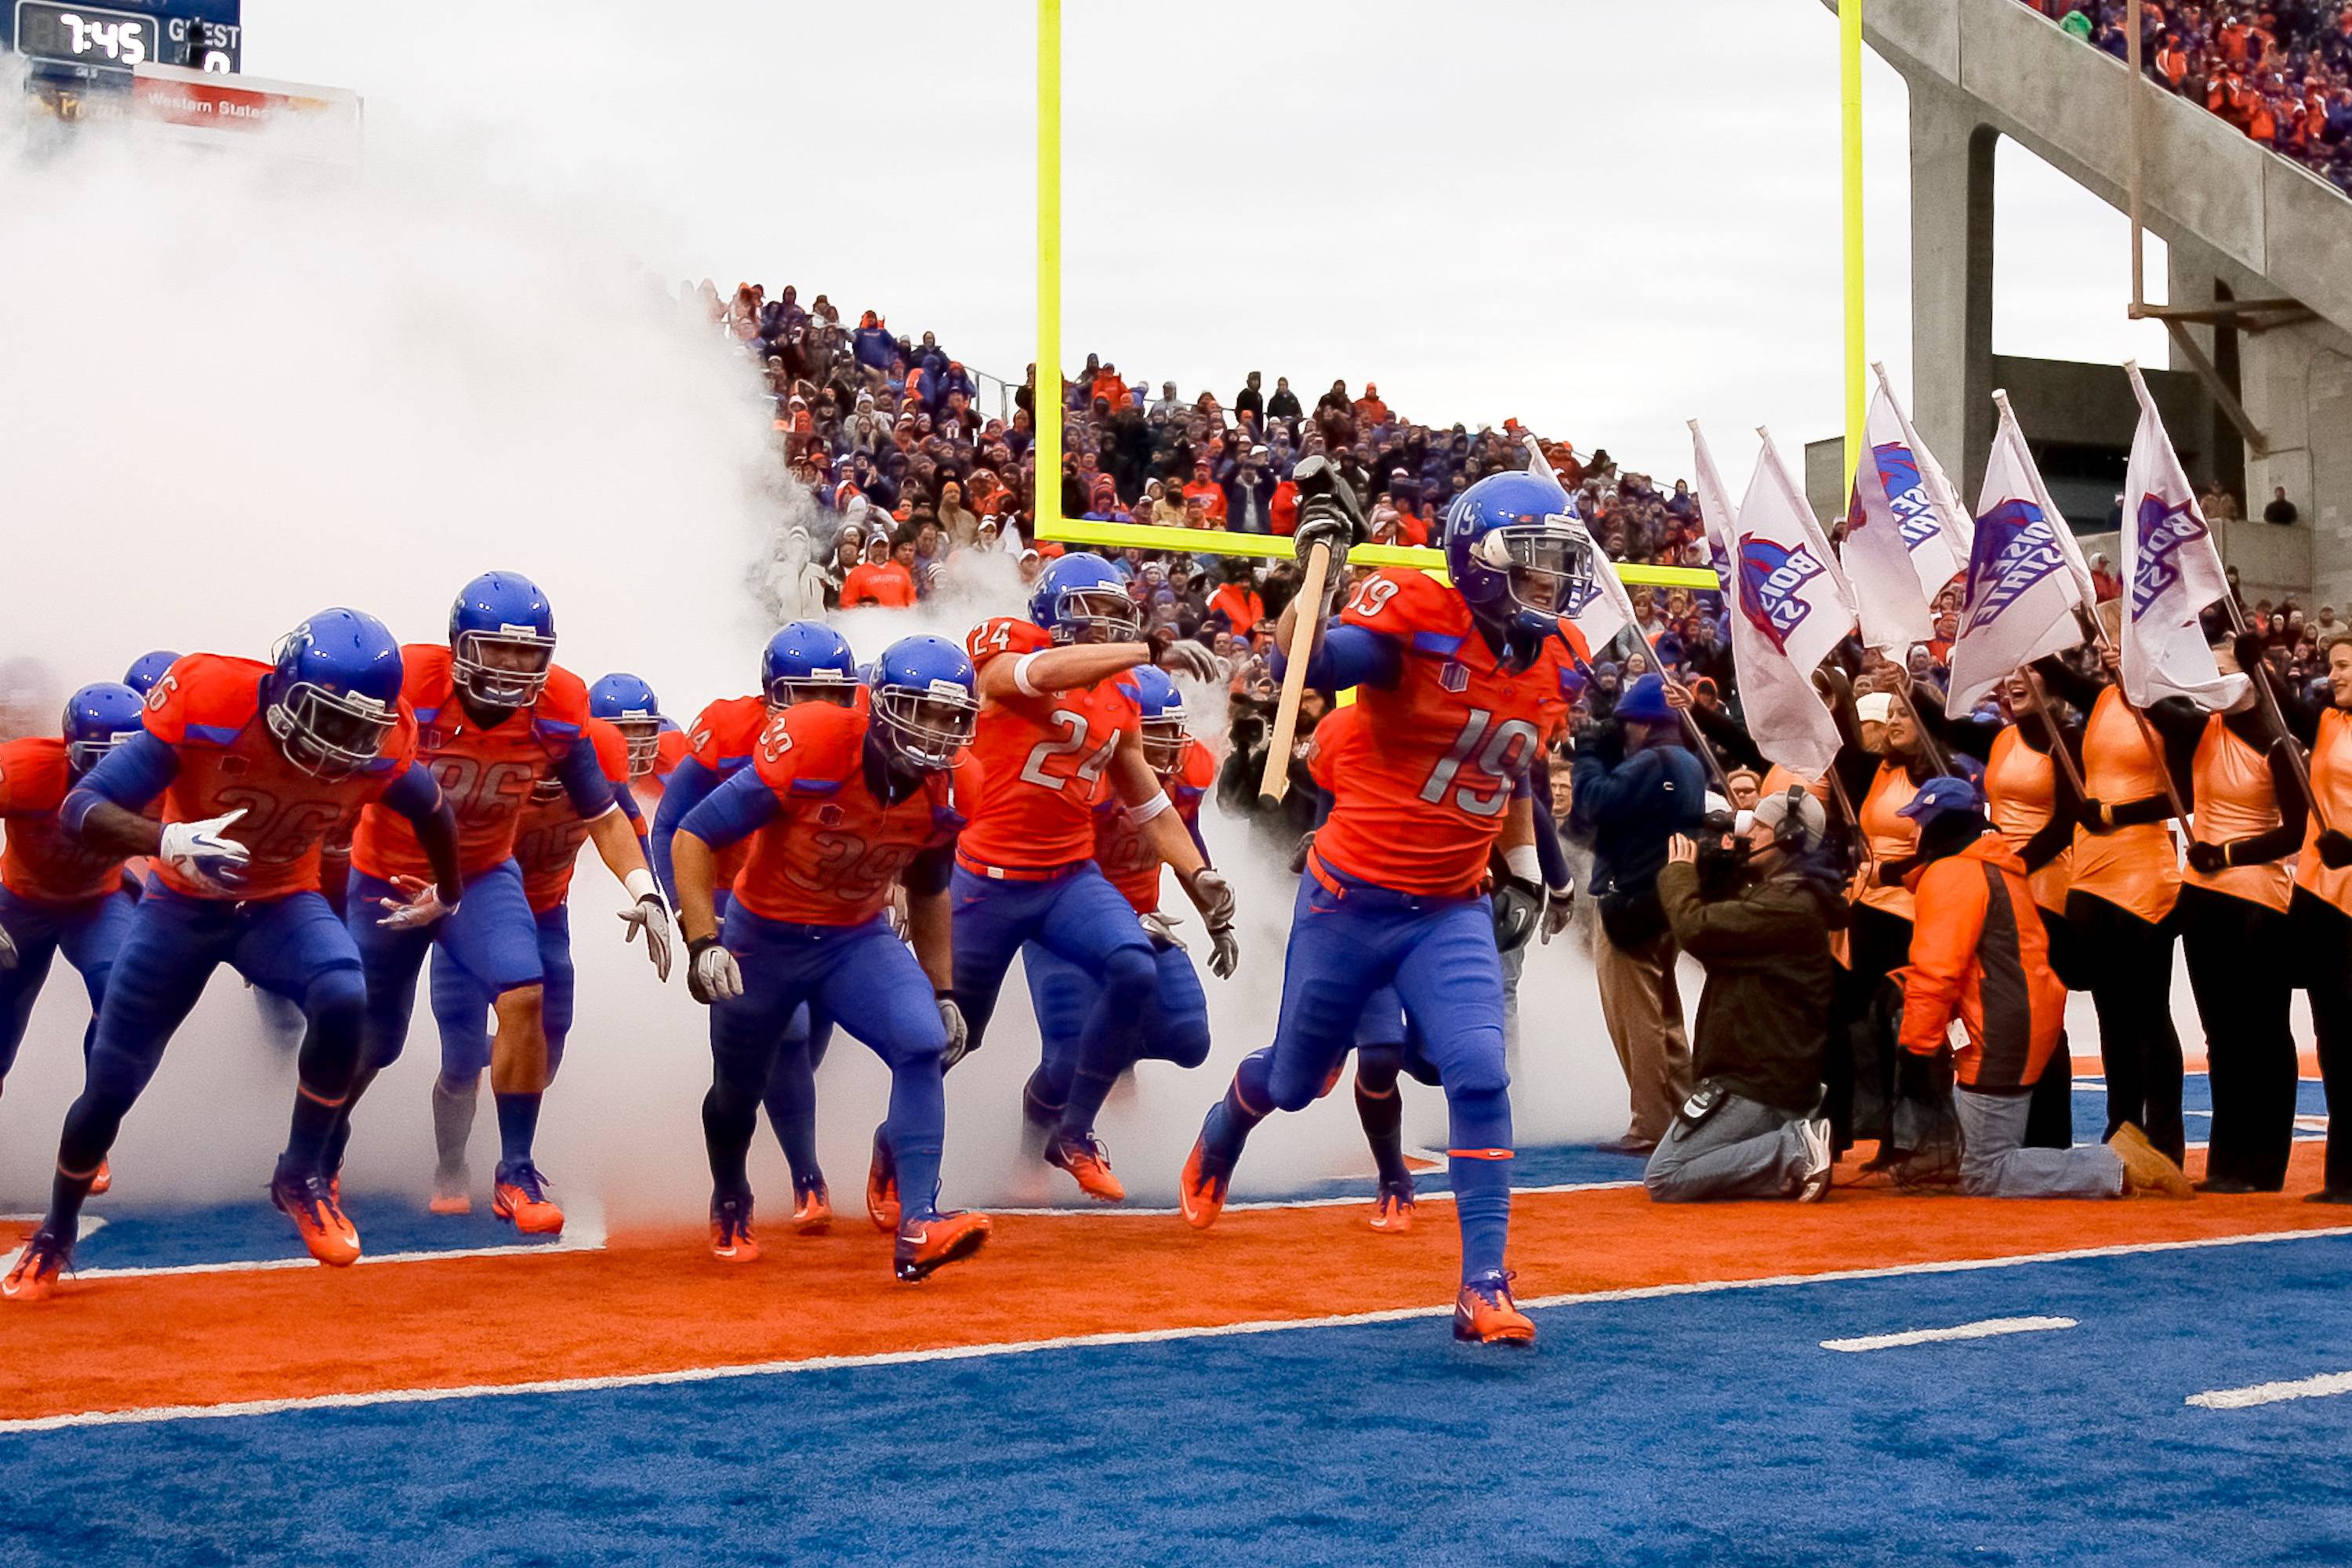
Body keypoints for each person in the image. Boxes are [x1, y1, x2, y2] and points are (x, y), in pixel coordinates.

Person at [1179, 464, 1589, 1346]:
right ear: (1481, 561)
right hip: (1349, 902)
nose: (1551, 580)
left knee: (1479, 1070)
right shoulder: (1419, 617)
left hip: (1449, 906)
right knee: (1296, 1081)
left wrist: (1527, 870)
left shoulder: (1559, 658)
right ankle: (1227, 1125)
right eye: (1533, 559)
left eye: (1557, 560)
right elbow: (1302, 662)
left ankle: (1483, 1283)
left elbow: (1512, 771)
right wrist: (1313, 573)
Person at [5, 612, 466, 1301]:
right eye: (330, 718)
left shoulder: (384, 744)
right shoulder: (211, 703)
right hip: (181, 907)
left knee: (345, 993)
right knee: (110, 1085)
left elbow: (433, 810)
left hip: (279, 902)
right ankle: (56, 1233)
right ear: (284, 692)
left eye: (359, 727)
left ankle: (301, 1174)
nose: (342, 743)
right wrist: (166, 840)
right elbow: (83, 807)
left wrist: (449, 893)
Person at [335, 574, 673, 1239]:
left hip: (482, 873)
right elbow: (343, 776)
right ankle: (322, 1146)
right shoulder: (409, 685)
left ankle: (515, 1170)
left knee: (525, 994)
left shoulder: (561, 707)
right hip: (392, 874)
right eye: (498, 649)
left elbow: (606, 814)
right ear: (459, 646)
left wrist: (644, 889)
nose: (514, 666)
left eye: (528, 653)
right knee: (376, 1038)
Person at [671, 635, 990, 1280]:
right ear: (881, 707)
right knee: (737, 1092)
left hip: (854, 938)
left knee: (922, 1041)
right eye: (921, 711)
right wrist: (704, 940)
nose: (936, 731)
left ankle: (918, 1223)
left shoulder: (958, 784)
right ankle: (730, 1192)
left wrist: (944, 989)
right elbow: (695, 832)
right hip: (764, 937)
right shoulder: (815, 741)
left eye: (951, 717)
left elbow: (930, 888)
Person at [947, 551, 1236, 1203]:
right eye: (1093, 611)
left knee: (1151, 993)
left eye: (1116, 613)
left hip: (1069, 884)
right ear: (1053, 612)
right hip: (989, 878)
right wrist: (1142, 649)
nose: (1106, 625)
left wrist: (1201, 880)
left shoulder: (1126, 697)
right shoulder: (1012, 647)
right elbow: (1039, 673)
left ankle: (1075, 1131)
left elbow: (1154, 808)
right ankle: (896, 1149)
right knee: (954, 1036)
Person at [420, 673, 655, 1215]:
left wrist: (653, 896)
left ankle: (511, 1128)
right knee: (460, 1061)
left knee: (547, 1048)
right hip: (469, 917)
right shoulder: (494, 777)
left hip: (546, 915)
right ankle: (452, 1162)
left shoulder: (601, 777)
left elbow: (632, 837)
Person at [1894, 777, 2191, 1200]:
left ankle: (2116, 1166)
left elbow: (1936, 972)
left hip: (1997, 1029)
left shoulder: (1952, 875)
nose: (1911, 834)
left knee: (1983, 1172)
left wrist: (1916, 1048)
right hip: (2017, 1020)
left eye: (1918, 823)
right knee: (1977, 1157)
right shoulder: (1993, 866)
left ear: (1940, 826)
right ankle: (2117, 1157)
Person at [652, 623, 855, 1230]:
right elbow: (671, 825)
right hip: (735, 903)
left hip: (819, 900)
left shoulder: (864, 735)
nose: (821, 709)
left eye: (835, 695)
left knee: (810, 1034)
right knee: (788, 1033)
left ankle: (768, 1124)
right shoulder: (729, 729)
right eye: (804, 695)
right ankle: (806, 1179)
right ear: (771, 694)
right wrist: (689, 913)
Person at [1019, 665, 1229, 1148]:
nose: (1168, 748)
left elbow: (1185, 838)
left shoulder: (1186, 773)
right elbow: (1057, 865)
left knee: (1189, 1038)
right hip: (1060, 920)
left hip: (1141, 922)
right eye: (1153, 735)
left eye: (1171, 732)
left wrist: (1211, 913)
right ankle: (1033, 1146)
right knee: (1067, 1056)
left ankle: (1118, 1053)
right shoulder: (1083, 780)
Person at [2140, 631, 2307, 1191]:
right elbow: (2149, 699)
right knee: (2220, 1034)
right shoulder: (2201, 728)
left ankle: (2265, 1164)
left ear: (2251, 675)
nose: (2210, 680)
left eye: (2222, 668)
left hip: (2257, 901)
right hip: (2203, 897)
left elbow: (2295, 832)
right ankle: (2228, 1162)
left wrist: (2228, 854)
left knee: (2262, 1032)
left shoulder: (2278, 742)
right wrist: (2127, 656)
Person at [2036, 626, 2193, 1163]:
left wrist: (2115, 812)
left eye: (2122, 642)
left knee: (2149, 1015)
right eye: (2109, 642)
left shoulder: (2172, 709)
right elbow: (2053, 670)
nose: (2110, 651)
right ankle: (2121, 1133)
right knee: (2111, 1017)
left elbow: (2185, 794)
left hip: (2143, 879)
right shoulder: (2101, 697)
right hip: (2091, 876)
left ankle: (2166, 1141)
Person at [1642, 787, 1841, 1203]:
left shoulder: (1787, 907)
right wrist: (1721, 870)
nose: (1748, 834)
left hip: (1758, 1082)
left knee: (1666, 1176)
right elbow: (1719, 937)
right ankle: (1791, 1153)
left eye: (1761, 826)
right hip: (1766, 1076)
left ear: (1789, 837)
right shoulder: (1784, 896)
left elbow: (1697, 929)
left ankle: (1794, 1147)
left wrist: (1679, 873)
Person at [1570, 672, 1705, 1153]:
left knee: (1636, 1019)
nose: (1621, 732)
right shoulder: (1687, 761)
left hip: (1630, 899)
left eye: (1625, 723)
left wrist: (1589, 752)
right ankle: (1683, 1112)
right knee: (1666, 1014)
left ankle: (1650, 1124)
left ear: (1642, 723)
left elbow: (1592, 803)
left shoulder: (1653, 761)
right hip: (1666, 898)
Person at [0, 683, 148, 1112]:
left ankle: (96, 1113)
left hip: (97, 902)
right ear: (69, 750)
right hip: (22, 902)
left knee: (118, 989)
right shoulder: (25, 769)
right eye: (98, 759)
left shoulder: (161, 779)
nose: (113, 776)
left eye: (127, 760)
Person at [2293, 631, 2352, 1203]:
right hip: (2322, 895)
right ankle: (2342, 1173)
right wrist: (2254, 665)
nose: (2332, 676)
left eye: (2343, 666)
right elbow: (2281, 709)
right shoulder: (2330, 722)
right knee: (2333, 1039)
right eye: (2332, 665)